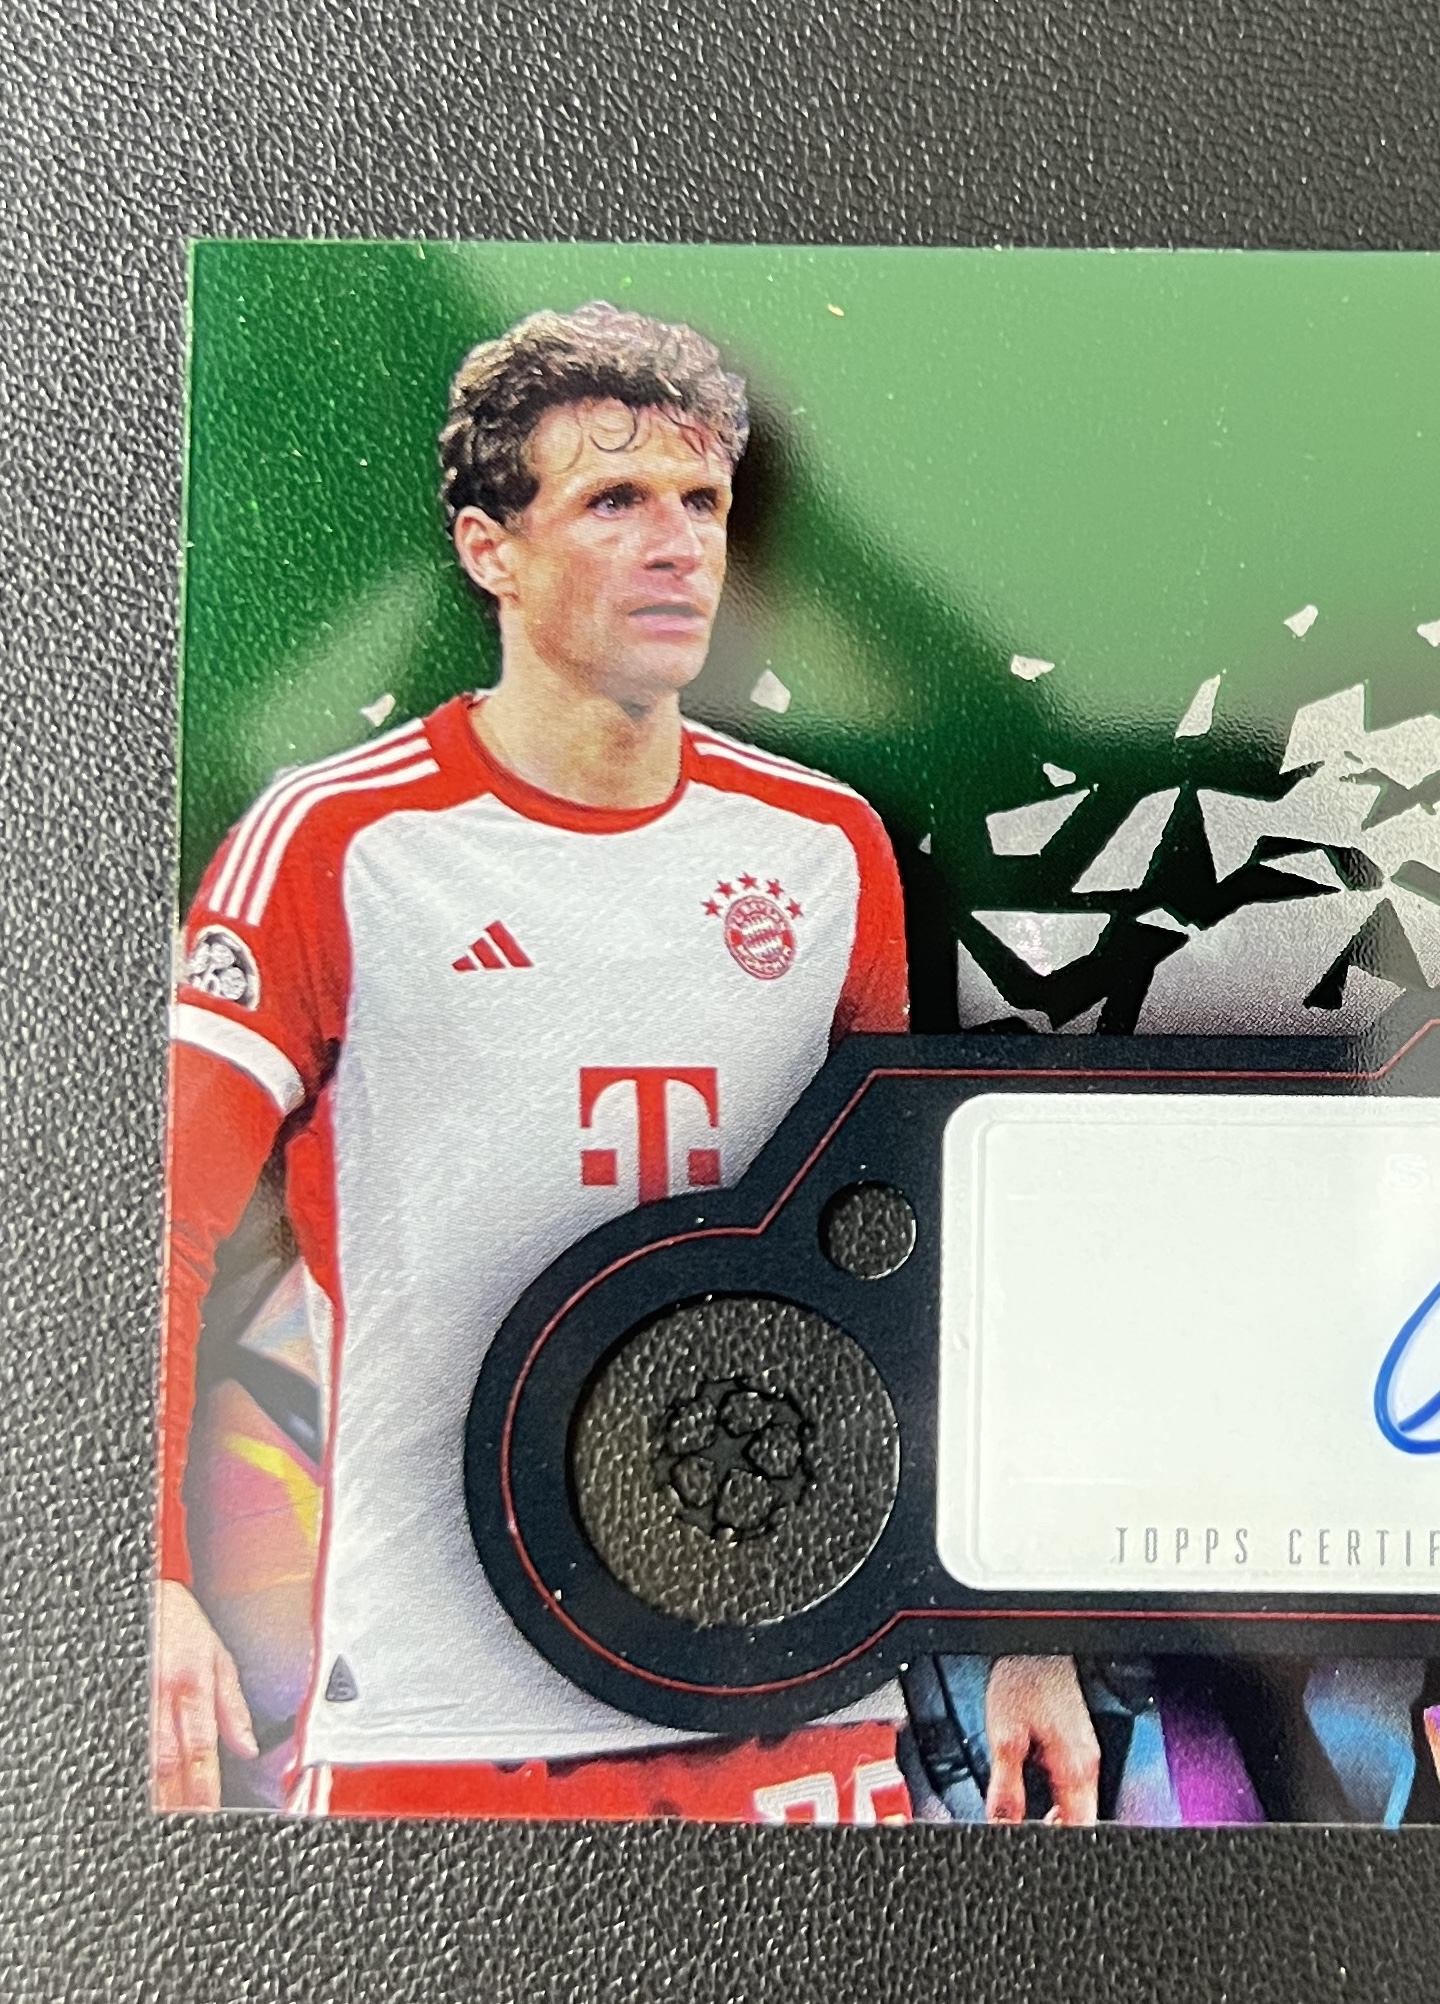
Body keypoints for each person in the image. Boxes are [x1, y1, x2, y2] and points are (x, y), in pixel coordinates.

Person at [154, 302, 1098, 1821]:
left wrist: (1015, 1626)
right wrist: (147, 1577)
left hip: (802, 1690)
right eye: (614, 502)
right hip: (454, 1715)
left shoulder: (825, 847)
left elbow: (920, 1259)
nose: (678, 549)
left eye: (701, 503)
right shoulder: (339, 841)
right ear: (489, 550)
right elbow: (160, 1225)